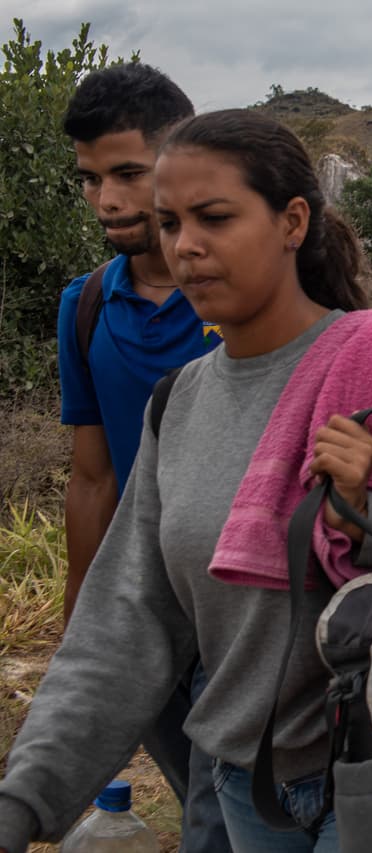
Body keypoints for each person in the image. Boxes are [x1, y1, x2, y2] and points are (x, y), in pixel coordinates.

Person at [0, 110, 372, 853]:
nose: (186, 247)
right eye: (169, 224)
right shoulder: (176, 405)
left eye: (214, 218)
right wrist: (22, 803)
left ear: (292, 221)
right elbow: (126, 625)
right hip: (246, 786)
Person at [55, 63, 228, 851]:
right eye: (91, 179)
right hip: (148, 615)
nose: (109, 200)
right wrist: (82, 631)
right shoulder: (84, 305)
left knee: (241, 810)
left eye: (127, 172)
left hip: (251, 614)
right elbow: (93, 478)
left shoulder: (245, 290)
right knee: (201, 793)